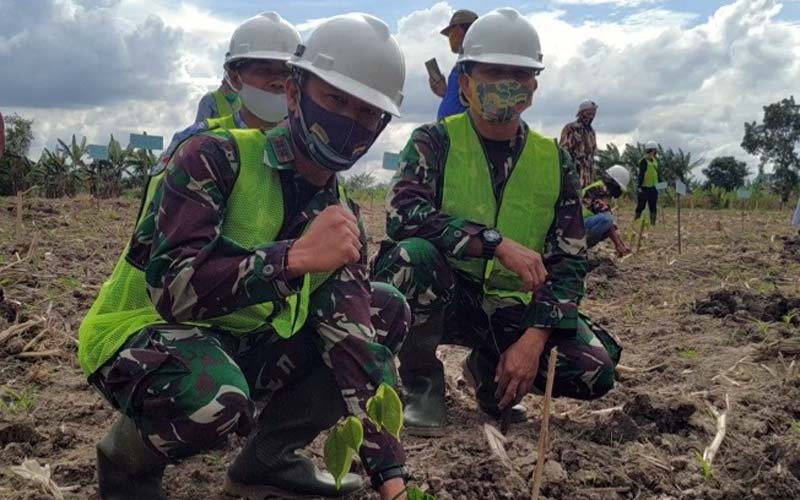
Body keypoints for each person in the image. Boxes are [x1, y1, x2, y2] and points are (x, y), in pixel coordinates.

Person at [78, 13, 411, 500]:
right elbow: (175, 290)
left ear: (380, 127)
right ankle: (125, 465)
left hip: (242, 342)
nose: (347, 124)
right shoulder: (211, 156)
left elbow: (358, 352)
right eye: (335, 100)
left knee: (383, 310)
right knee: (218, 399)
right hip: (139, 333)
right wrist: (292, 259)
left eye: (366, 114)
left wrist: (393, 482)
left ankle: (265, 462)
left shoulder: (343, 219)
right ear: (295, 93)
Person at [371, 8, 621, 436]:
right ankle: (421, 382)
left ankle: (490, 373)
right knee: (411, 258)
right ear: (465, 83)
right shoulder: (434, 142)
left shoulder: (553, 160)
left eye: (519, 75)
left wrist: (536, 337)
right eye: (493, 72)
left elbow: (569, 260)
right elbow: (403, 217)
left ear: (534, 88)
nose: (507, 84)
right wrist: (493, 243)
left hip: (513, 310)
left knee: (593, 369)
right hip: (449, 297)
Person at [158, 12, 301, 171]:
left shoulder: (313, 147)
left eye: (287, 73)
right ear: (235, 78)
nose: (278, 82)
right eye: (264, 70)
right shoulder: (197, 145)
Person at [430, 9, 478, 119]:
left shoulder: (474, 64)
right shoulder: (462, 63)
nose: (450, 37)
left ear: (460, 30)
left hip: (461, 134)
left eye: (451, 32)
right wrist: (445, 93)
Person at [583, 165, 632, 256]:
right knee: (606, 220)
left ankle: (581, 249)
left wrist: (621, 244)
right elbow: (607, 219)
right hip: (576, 226)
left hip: (579, 225)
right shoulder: (599, 190)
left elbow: (611, 225)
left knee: (608, 224)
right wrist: (618, 245)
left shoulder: (603, 192)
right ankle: (579, 249)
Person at [560, 99, 598, 187]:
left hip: (588, 177)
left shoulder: (591, 132)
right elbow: (563, 151)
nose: (591, 117)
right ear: (581, 113)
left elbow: (592, 155)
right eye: (589, 114)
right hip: (573, 174)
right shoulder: (571, 128)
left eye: (593, 114)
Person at [634, 141, 661, 225]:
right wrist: (639, 187)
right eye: (655, 150)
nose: (656, 152)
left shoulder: (655, 161)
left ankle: (653, 223)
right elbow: (641, 174)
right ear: (653, 150)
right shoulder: (643, 161)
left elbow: (657, 174)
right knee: (641, 206)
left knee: (653, 206)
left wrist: (660, 185)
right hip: (644, 187)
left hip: (654, 187)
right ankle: (636, 221)